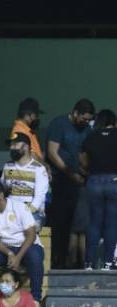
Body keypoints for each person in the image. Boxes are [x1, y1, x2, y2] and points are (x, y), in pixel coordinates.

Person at [0, 182, 44, 303]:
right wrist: (10, 253)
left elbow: (31, 235)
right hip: (4, 249)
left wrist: (18, 257)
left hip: (26, 246)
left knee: (35, 256)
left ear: (1, 195)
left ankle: (36, 298)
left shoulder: (19, 207)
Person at [47, 98, 95, 268]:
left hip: (80, 181)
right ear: (75, 113)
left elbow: (88, 154)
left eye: (89, 120)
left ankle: (73, 261)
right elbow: (52, 153)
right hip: (60, 179)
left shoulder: (88, 130)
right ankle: (57, 260)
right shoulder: (58, 124)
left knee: (76, 224)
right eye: (83, 118)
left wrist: (83, 173)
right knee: (60, 221)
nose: (86, 122)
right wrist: (69, 173)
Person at [80, 109, 117, 269]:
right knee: (112, 223)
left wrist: (89, 171)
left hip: (94, 180)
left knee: (94, 223)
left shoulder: (91, 136)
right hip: (114, 181)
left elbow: (82, 159)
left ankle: (89, 262)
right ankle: (108, 263)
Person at [1, 131, 49, 226]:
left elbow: (39, 198)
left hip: (32, 212)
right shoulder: (7, 166)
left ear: (26, 147)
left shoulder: (39, 169)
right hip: (11, 211)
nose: (11, 148)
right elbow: (2, 189)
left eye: (15, 144)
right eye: (11, 145)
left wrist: (24, 214)